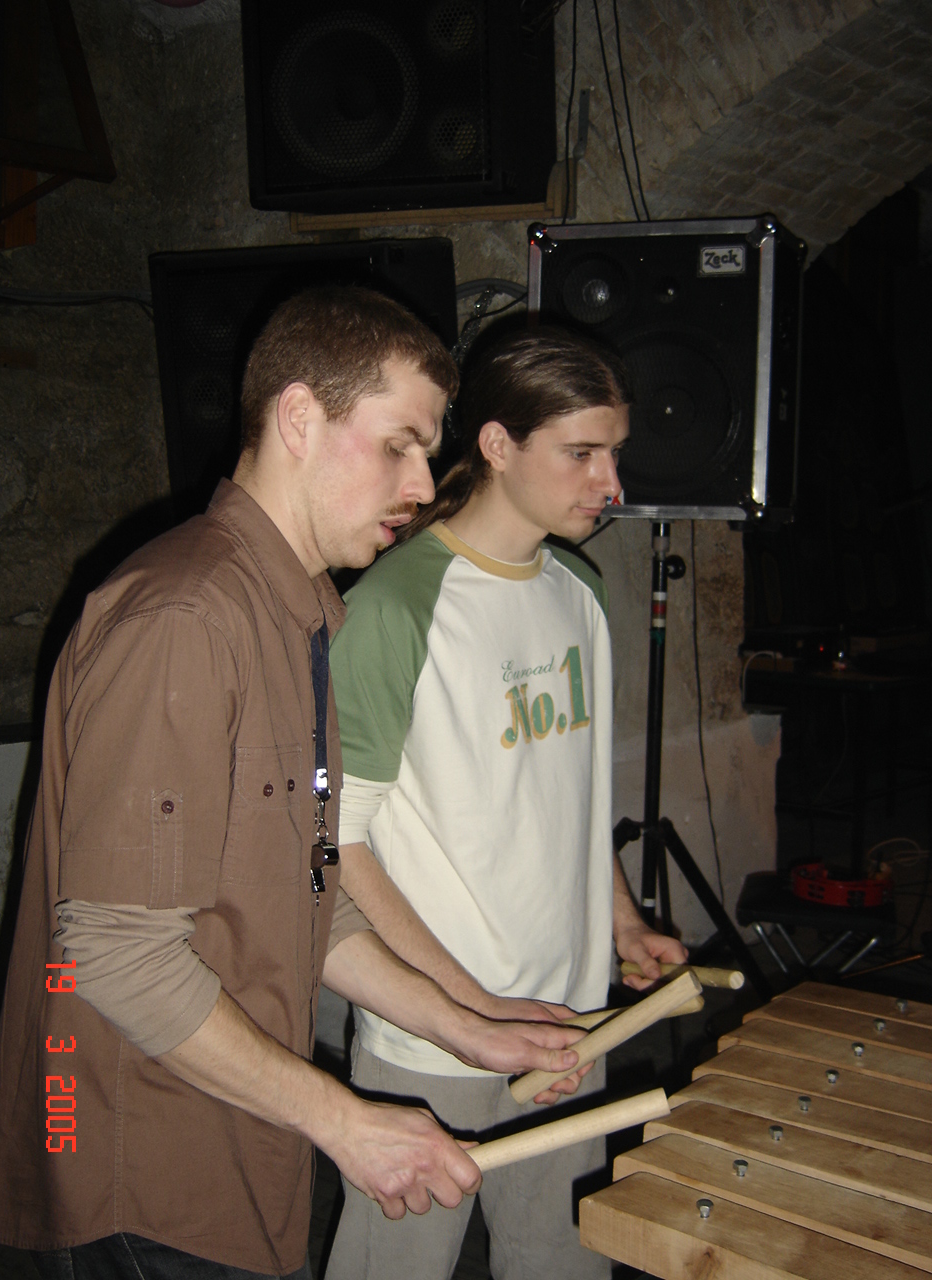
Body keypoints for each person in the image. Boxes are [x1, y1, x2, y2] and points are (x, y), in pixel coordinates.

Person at [0, 290, 588, 1280]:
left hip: (241, 1148)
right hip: (137, 1176)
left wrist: (466, 1025)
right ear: (299, 417)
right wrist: (348, 1120)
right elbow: (117, 955)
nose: (422, 483)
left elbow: (309, 895)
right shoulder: (184, 616)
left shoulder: (302, 612)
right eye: (399, 444)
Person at [326, 326, 689, 1280]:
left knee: (562, 1262)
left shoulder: (580, 590)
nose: (611, 484)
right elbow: (336, 847)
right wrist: (472, 1007)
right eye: (582, 453)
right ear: (496, 444)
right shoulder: (392, 609)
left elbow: (570, 797)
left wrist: (620, 922)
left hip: (569, 1018)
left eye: (615, 454)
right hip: (435, 1037)